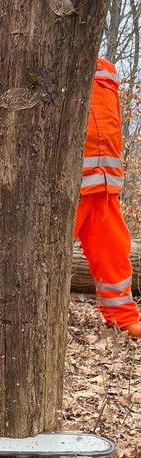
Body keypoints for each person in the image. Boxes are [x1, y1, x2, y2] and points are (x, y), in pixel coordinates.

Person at [74, 58, 141, 337]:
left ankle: (122, 317)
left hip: (105, 181)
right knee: (38, 254)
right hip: (70, 184)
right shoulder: (48, 53)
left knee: (114, 250)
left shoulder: (107, 69)